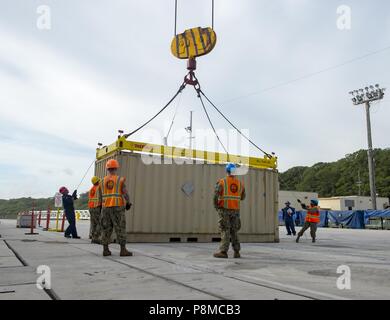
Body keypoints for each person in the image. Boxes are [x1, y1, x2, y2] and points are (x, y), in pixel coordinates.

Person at [213, 163, 246, 259]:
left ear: (226, 171)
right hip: (235, 210)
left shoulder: (222, 182)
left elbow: (215, 196)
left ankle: (223, 252)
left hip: (224, 210)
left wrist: (216, 206)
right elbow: (243, 197)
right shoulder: (240, 184)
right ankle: (237, 252)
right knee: (234, 230)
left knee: (225, 229)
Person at [101, 159, 132, 257]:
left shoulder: (102, 181)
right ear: (116, 168)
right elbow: (125, 192)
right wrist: (128, 202)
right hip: (117, 207)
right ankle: (123, 250)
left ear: (107, 168)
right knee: (120, 227)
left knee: (106, 228)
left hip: (105, 207)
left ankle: (105, 250)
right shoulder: (120, 179)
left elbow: (101, 196)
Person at [88, 176, 102, 244]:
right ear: (97, 181)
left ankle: (93, 237)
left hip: (91, 208)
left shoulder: (91, 189)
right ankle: (96, 237)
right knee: (100, 223)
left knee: (93, 223)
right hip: (96, 207)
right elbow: (101, 197)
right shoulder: (99, 187)